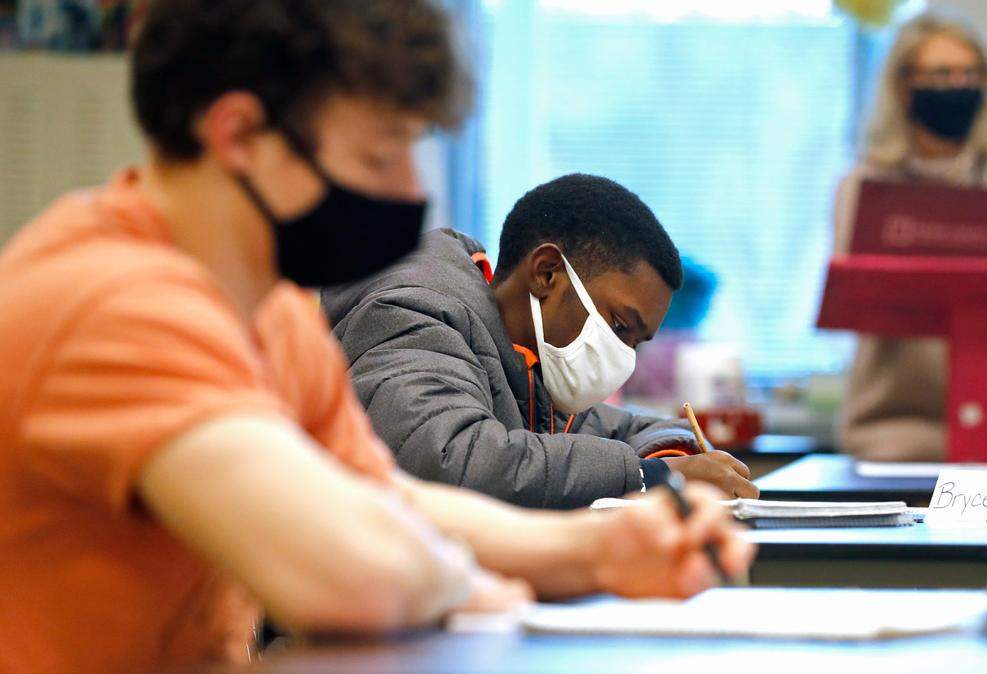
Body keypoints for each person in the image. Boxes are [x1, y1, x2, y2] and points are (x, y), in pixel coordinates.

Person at [0, 2, 754, 673]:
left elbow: (387, 498)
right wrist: (482, 581)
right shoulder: (111, 306)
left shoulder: (271, 310)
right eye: (377, 156)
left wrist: (603, 549)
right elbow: (347, 573)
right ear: (240, 134)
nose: (409, 194)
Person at [322, 175, 758, 508]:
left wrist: (676, 456)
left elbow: (617, 431)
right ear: (547, 273)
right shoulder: (411, 315)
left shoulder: (526, 361)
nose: (623, 357)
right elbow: (451, 460)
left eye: (636, 343)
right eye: (619, 325)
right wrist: (653, 477)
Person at [832, 9, 987, 462]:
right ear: (904, 85)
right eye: (943, 74)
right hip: (895, 430)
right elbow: (852, 292)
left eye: (971, 73)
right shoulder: (867, 183)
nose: (960, 85)